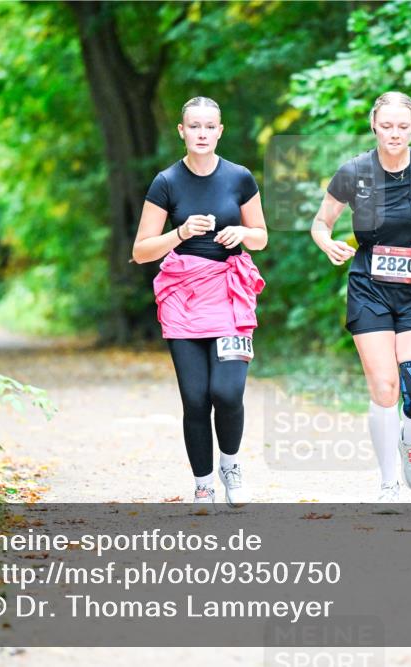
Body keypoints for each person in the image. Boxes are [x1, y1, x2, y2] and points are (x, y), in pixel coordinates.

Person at [310, 92, 411, 502]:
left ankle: (409, 441)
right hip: (369, 288)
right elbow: (321, 222)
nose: (395, 133)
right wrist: (327, 243)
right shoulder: (353, 172)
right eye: (387, 125)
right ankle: (388, 483)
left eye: (403, 126)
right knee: (384, 388)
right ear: (374, 125)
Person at [133, 96, 267, 507]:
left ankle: (230, 464)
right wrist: (181, 233)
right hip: (183, 297)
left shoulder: (240, 177)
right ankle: (204, 482)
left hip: (229, 294)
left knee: (227, 393)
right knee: (195, 398)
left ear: (220, 131)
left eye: (210, 126)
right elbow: (141, 251)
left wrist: (241, 235)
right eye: (195, 126)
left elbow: (260, 236)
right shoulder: (166, 182)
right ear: (182, 131)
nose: (202, 133)